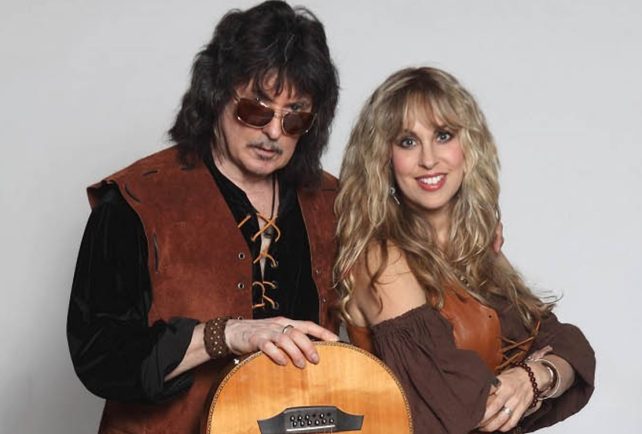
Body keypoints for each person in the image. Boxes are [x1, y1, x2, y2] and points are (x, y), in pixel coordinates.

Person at [66, 2, 341, 433]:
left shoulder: (331, 200)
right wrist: (222, 335)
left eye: (295, 116)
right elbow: (98, 356)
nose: (274, 131)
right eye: (256, 109)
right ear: (216, 95)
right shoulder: (137, 200)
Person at [335, 67, 595, 433]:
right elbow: (464, 409)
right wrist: (534, 379)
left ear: (468, 146)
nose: (429, 159)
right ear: (383, 158)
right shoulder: (382, 260)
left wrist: (535, 377)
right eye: (407, 142)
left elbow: (571, 346)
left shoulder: (476, 248)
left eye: (443, 135)